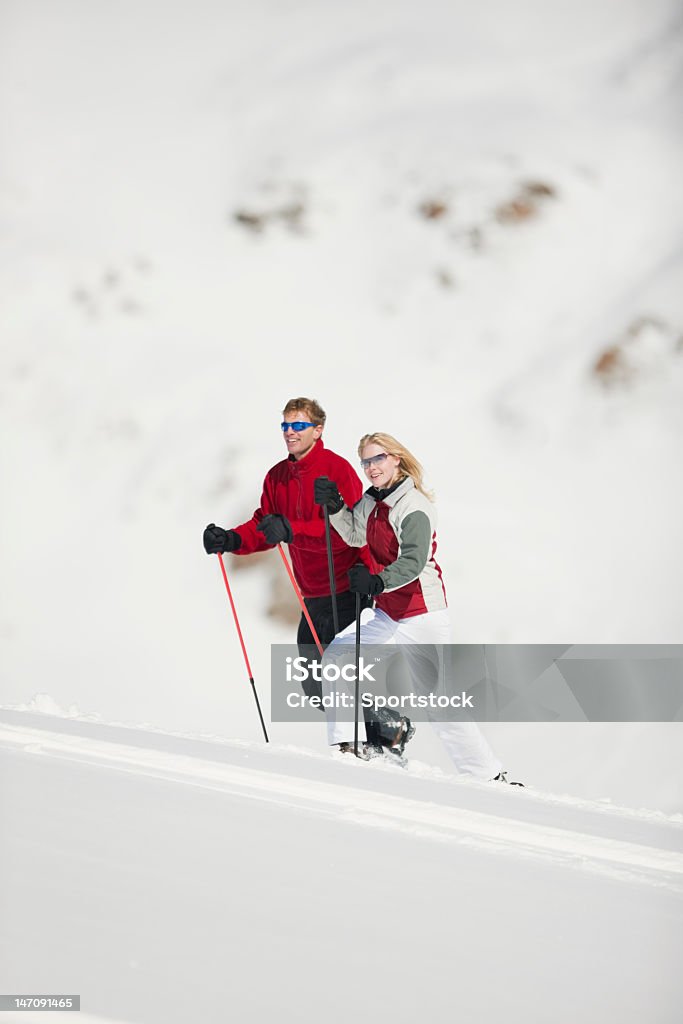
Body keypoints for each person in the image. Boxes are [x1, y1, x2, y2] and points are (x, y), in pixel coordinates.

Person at [202, 399, 407, 751]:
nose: (290, 432)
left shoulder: (336, 470)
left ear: (318, 429)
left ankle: (359, 746)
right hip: (310, 596)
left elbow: (351, 529)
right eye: (285, 425)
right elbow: (265, 524)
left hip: (347, 588)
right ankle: (388, 730)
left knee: (339, 679)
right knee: (315, 688)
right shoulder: (277, 477)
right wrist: (231, 539)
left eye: (298, 425)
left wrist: (292, 529)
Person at [316, 432, 517, 782]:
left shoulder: (415, 507)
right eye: (365, 461)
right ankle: (351, 744)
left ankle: (488, 775)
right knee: (338, 657)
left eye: (378, 459)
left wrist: (377, 581)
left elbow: (413, 561)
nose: (371, 467)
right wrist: (335, 508)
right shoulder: (374, 502)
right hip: (389, 611)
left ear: (396, 458)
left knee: (438, 701)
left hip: (422, 612)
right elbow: (354, 534)